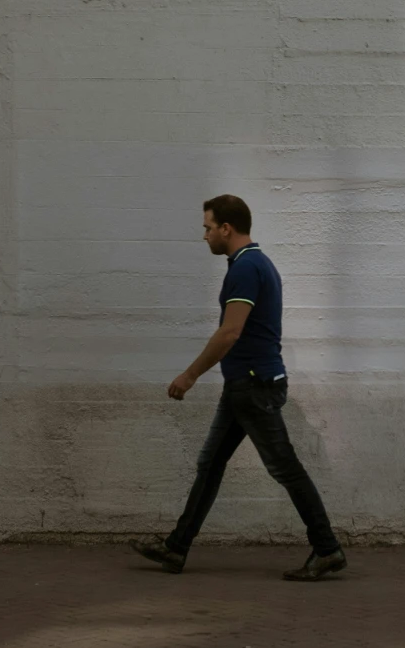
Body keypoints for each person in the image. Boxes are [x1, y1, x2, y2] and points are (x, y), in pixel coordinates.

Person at [132, 195, 347, 581]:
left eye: (208, 227)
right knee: (210, 464)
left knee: (286, 468)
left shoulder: (246, 268)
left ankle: (328, 549)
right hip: (245, 386)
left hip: (253, 387)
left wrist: (190, 375)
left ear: (226, 229)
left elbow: (230, 332)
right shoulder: (255, 264)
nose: (205, 236)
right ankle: (176, 547)